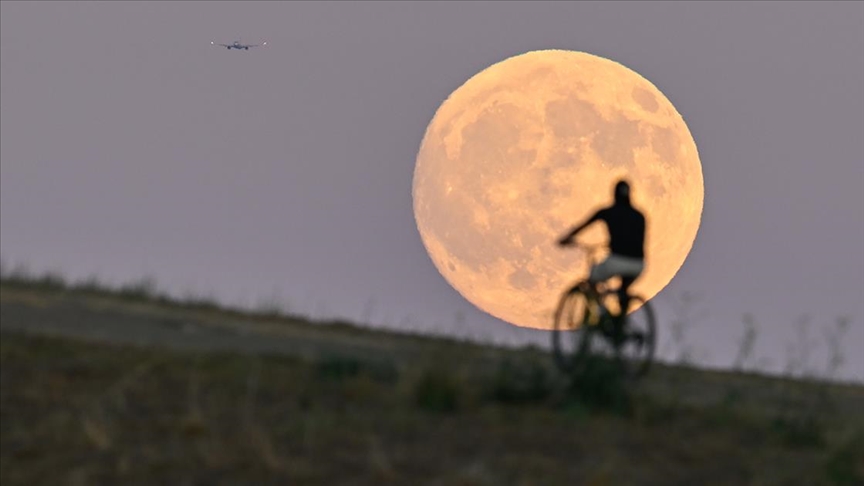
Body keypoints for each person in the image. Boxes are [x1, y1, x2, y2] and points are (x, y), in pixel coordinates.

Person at [557, 179, 646, 324]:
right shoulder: (640, 216)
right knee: (623, 290)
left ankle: (601, 315)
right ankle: (620, 324)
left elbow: (583, 225)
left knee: (593, 279)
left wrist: (566, 238)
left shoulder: (607, 212)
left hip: (616, 262)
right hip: (638, 264)